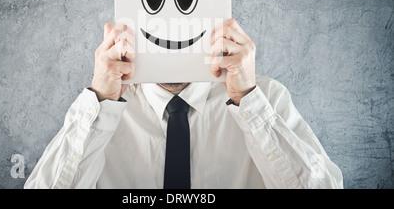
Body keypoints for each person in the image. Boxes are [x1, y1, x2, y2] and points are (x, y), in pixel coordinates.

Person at [24, 19, 343, 189]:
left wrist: (249, 102)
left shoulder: (265, 98)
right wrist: (99, 102)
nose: (172, 28)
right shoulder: (99, 113)